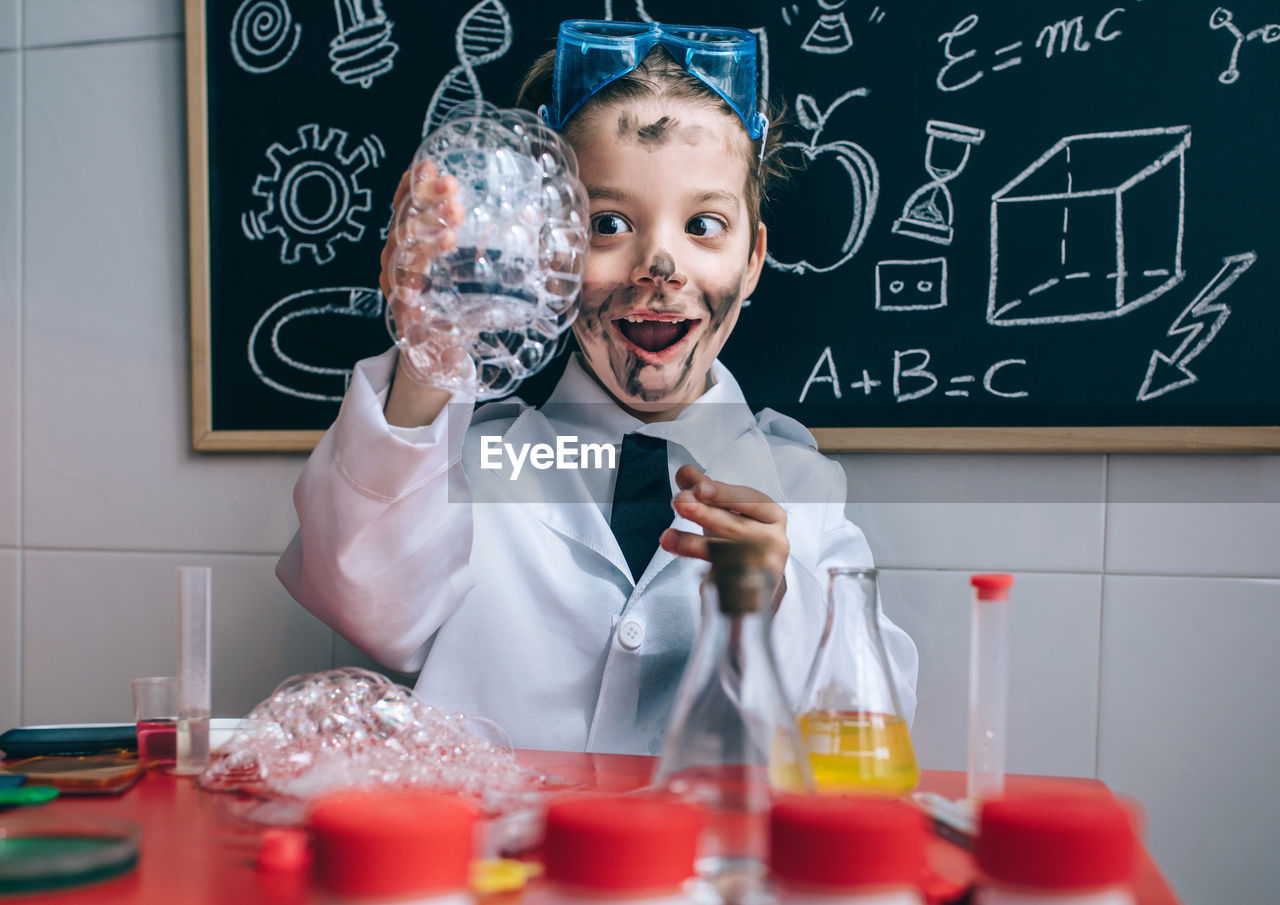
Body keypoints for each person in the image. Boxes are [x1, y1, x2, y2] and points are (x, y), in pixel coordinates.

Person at [277, 20, 917, 755]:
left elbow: (876, 713)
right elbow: (361, 594)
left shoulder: (803, 490)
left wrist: (780, 604)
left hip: (709, 867)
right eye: (608, 223)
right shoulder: (471, 469)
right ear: (551, 248)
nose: (660, 265)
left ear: (753, 260)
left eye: (704, 225)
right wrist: (432, 348)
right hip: (500, 866)